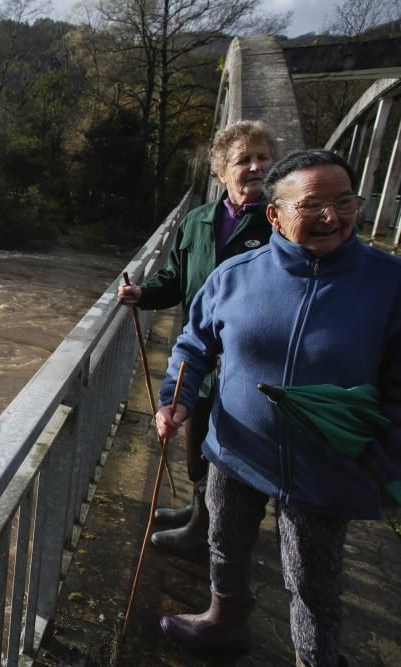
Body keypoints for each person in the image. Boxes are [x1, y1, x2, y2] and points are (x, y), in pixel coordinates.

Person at [154, 149, 401, 666]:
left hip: (325, 466)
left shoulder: (389, 283)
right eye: (312, 206)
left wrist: (381, 447)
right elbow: (194, 345)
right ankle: (223, 625)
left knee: (311, 580)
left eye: (344, 202)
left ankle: (317, 659)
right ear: (275, 214)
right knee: (224, 544)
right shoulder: (235, 276)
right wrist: (174, 399)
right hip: (235, 448)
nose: (332, 217)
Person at [117, 120, 275, 560]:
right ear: (220, 172)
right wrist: (143, 294)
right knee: (197, 446)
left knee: (229, 456)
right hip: (200, 361)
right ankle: (196, 512)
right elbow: (176, 280)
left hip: (249, 368)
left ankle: (206, 533)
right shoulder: (197, 220)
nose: (257, 166)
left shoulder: (281, 223)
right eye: (244, 159)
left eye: (263, 157)